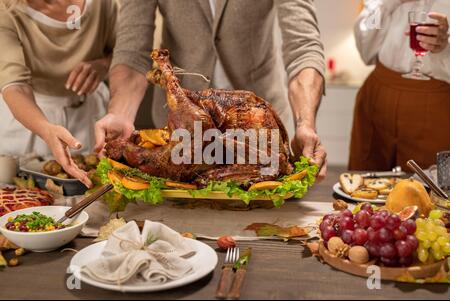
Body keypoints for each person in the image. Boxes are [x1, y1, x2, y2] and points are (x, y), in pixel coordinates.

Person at [94, 0, 328, 180]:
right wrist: (120, 114)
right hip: (182, 134)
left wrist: (304, 123)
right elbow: (132, 52)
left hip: (258, 129)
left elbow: (303, 47)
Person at [0, 0, 117, 186]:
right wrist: (46, 130)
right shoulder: (6, 10)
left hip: (89, 114)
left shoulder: (103, 4)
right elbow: (15, 86)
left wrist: (103, 66)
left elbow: (128, 53)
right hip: (28, 119)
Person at [350, 0, 450, 171]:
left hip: (438, 107)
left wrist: (444, 48)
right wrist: (389, 3)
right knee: (365, 181)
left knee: (431, 188)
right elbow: (365, 49)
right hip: (376, 99)